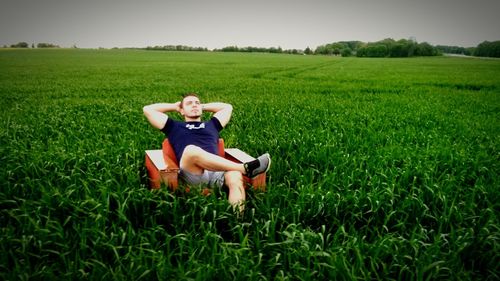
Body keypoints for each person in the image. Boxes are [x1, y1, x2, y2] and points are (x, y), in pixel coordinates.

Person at [143, 93, 271, 213]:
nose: (194, 105)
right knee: (191, 150)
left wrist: (201, 106)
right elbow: (147, 109)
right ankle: (245, 168)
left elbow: (227, 107)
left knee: (235, 177)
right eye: (189, 103)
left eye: (197, 102)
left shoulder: (212, 125)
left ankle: (237, 222)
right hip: (193, 173)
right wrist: (175, 106)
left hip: (217, 171)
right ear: (182, 110)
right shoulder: (173, 126)